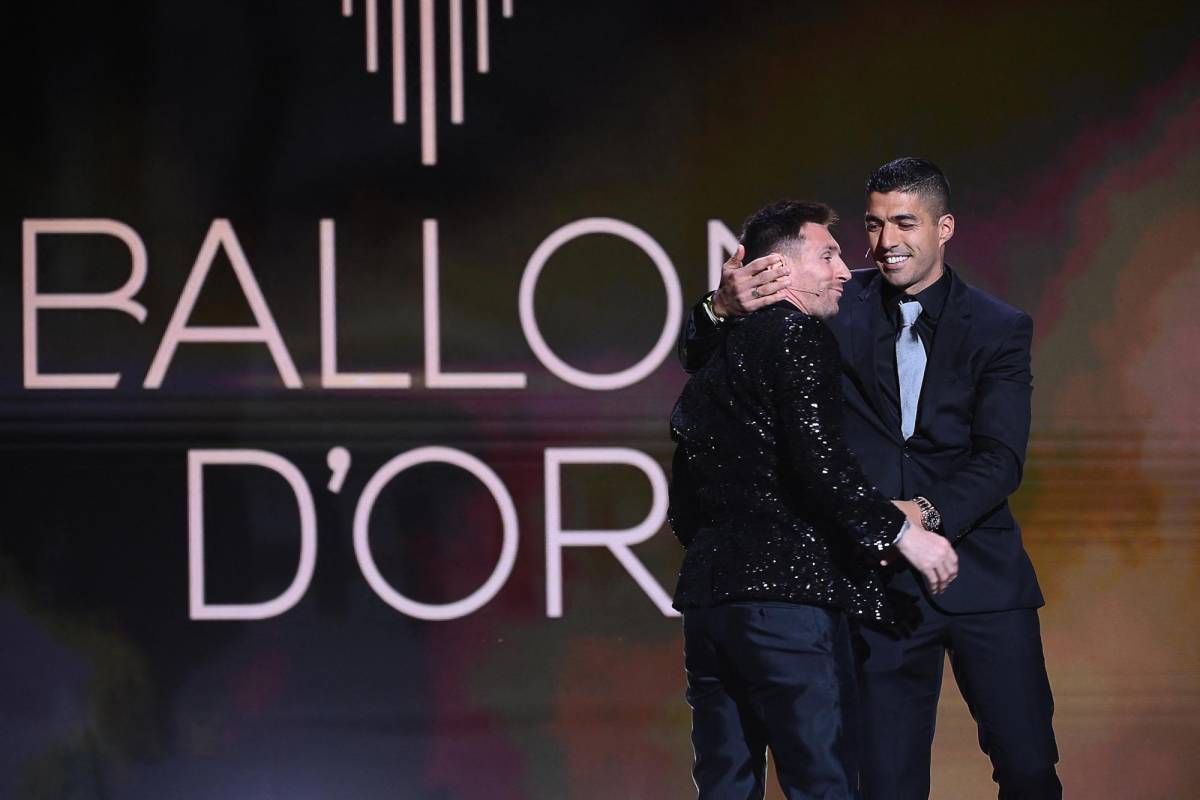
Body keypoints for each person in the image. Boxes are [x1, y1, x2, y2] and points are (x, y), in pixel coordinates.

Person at [680, 158, 1061, 798]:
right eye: (874, 224)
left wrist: (921, 516)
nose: (885, 242)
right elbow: (709, 359)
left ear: (945, 228)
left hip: (984, 582)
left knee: (1027, 768)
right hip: (876, 585)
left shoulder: (999, 328)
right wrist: (719, 307)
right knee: (884, 782)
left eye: (904, 223)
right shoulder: (829, 299)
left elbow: (1001, 459)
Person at [669, 199, 958, 799]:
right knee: (821, 784)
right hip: (789, 607)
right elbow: (822, 467)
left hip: (710, 609)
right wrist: (907, 534)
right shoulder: (799, 337)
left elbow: (685, 504)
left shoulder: (717, 360)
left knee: (723, 786)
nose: (845, 270)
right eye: (829, 254)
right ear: (777, 270)